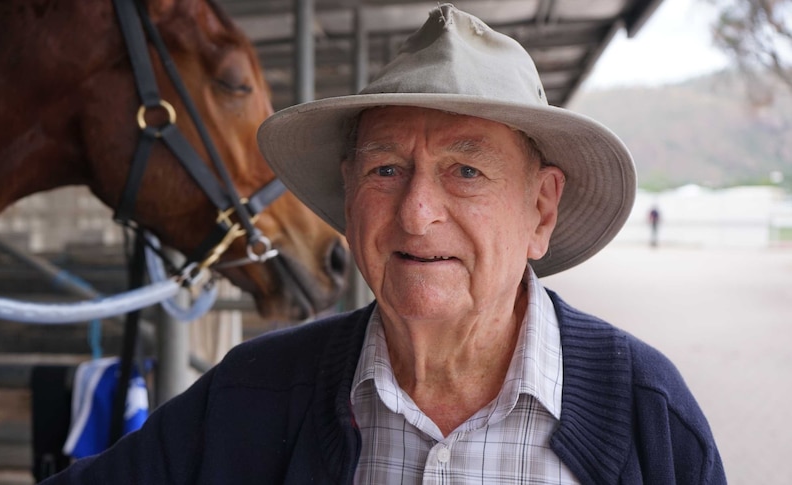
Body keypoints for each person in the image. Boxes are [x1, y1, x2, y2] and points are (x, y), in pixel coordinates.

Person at [43, 4, 726, 484]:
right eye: (385, 169)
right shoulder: (252, 396)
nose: (417, 212)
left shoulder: (648, 417)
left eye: (466, 170)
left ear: (540, 210)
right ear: (350, 193)